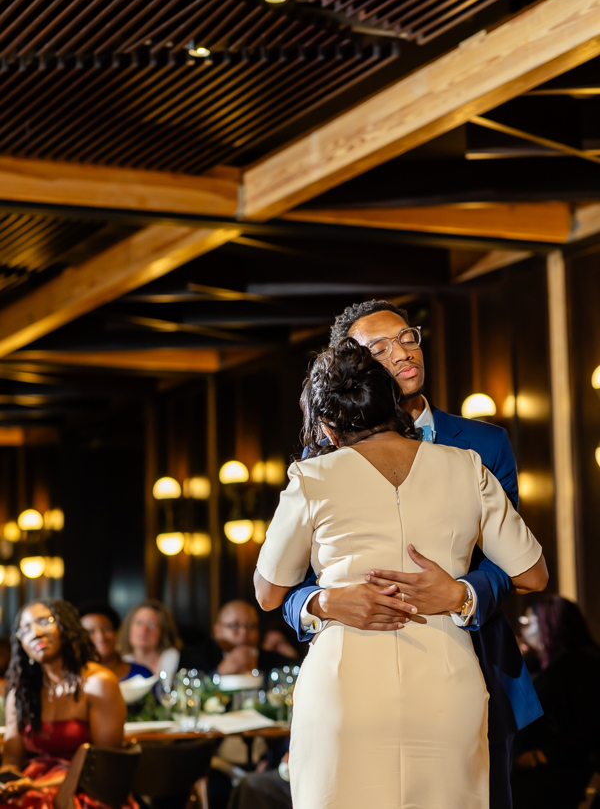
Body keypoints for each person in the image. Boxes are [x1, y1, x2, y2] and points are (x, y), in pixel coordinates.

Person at [255, 338, 548, 809]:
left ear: (328, 427)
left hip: (343, 686)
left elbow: (269, 593)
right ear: (393, 404)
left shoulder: (313, 478)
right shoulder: (466, 466)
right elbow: (533, 573)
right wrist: (457, 593)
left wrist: (325, 596)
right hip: (446, 682)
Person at [0, 598, 126, 807]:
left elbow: (106, 765)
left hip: (84, 788)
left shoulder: (98, 683)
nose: (35, 633)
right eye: (25, 629)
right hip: (29, 784)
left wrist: (36, 786)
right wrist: (7, 781)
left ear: (66, 625)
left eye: (44, 621)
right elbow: (12, 759)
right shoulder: (21, 692)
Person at [512, 596, 600, 809]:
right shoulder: (546, 665)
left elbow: (589, 727)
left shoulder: (579, 664)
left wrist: (539, 756)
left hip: (557, 775)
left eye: (527, 622)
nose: (522, 629)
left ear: (547, 625)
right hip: (545, 774)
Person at [195, 601, 295, 676]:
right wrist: (218, 673)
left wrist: (292, 659)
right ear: (218, 630)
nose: (244, 632)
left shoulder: (270, 659)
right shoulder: (198, 657)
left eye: (251, 626)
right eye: (234, 625)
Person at [79, 601, 153, 681]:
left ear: (117, 632)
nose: (100, 637)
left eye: (106, 629)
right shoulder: (77, 679)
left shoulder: (142, 675)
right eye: (91, 632)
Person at [118, 598, 181, 685]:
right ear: (129, 628)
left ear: (163, 631)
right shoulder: (120, 662)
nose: (144, 630)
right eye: (139, 623)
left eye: (151, 624)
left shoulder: (180, 661)